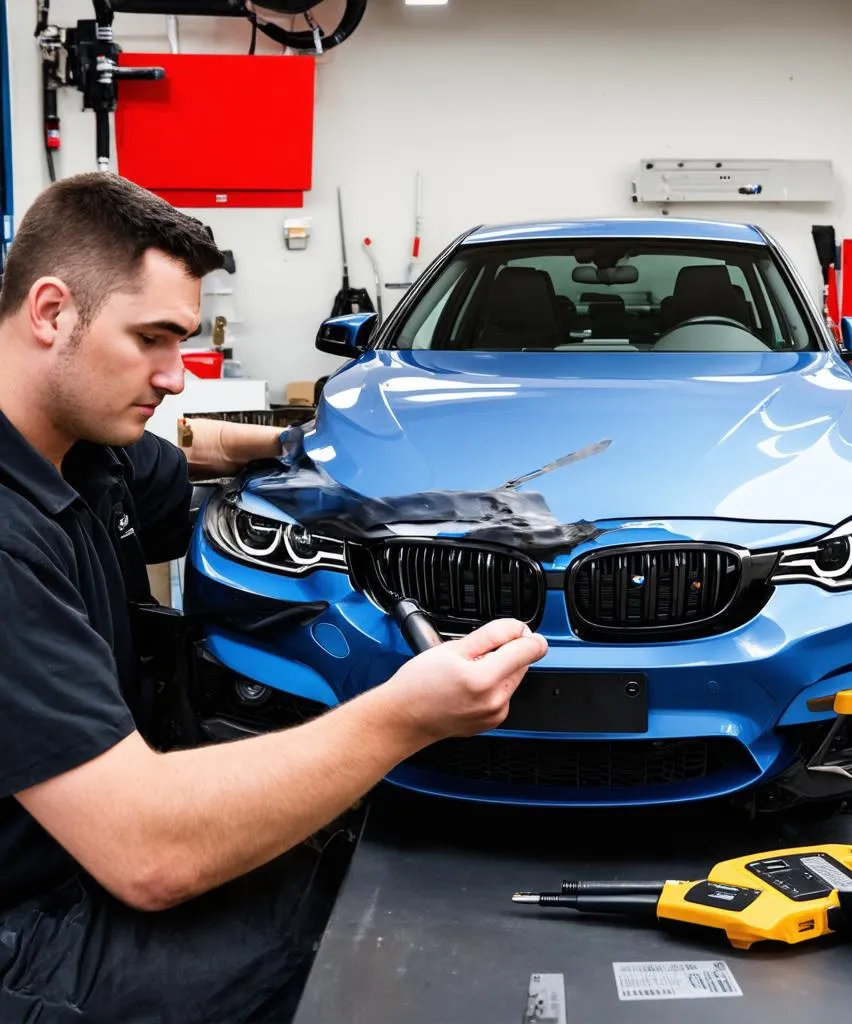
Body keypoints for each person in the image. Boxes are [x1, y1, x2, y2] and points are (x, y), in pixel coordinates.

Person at [0, 172, 548, 1022]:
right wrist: (403, 716)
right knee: (368, 949)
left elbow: (193, 449)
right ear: (49, 312)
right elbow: (149, 851)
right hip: (31, 927)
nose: (176, 377)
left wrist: (346, 460)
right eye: (151, 340)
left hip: (80, 856)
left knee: (355, 862)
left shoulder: (78, 445)